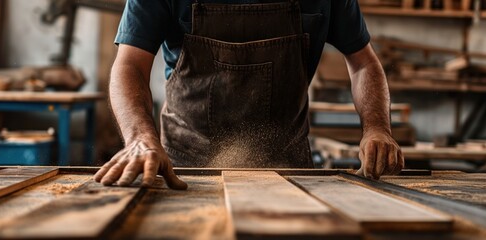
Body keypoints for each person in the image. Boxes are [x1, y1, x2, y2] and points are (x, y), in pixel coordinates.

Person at [94, 0, 404, 190]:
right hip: (184, 169)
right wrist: (140, 137)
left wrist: (377, 128)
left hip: (288, 169)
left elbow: (363, 63)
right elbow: (131, 64)